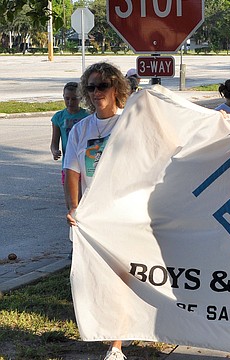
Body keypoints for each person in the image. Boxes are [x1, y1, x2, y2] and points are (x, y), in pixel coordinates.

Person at [63, 61, 131, 360]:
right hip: (93, 217)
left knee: (120, 278)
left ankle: (115, 345)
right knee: (94, 280)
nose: (96, 92)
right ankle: (118, 330)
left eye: (102, 85)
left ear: (116, 87)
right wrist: (74, 209)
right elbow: (72, 172)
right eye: (90, 87)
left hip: (125, 214)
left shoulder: (130, 122)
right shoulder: (82, 129)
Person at [50, 82, 89, 185]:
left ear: (80, 98)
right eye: (67, 98)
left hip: (86, 163)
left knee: (83, 198)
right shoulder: (59, 117)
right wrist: (55, 151)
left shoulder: (87, 116)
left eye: (74, 99)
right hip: (68, 163)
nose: (70, 102)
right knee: (71, 198)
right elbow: (54, 141)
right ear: (63, 97)